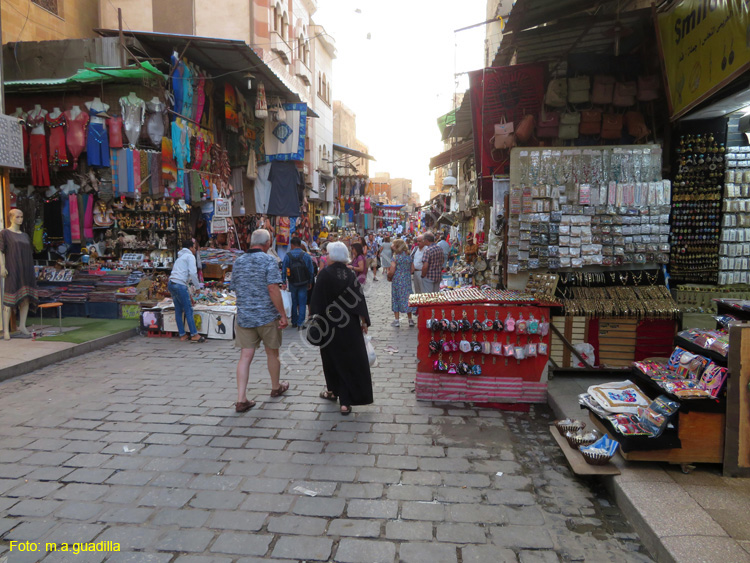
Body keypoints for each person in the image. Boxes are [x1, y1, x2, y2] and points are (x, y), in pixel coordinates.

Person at [310, 241, 373, 415]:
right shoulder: (349, 274)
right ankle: (343, 399)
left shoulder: (325, 274)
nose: (327, 257)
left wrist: (313, 318)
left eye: (328, 254)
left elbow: (316, 301)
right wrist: (363, 321)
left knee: (331, 360)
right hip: (349, 325)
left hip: (328, 325)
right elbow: (358, 299)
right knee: (348, 360)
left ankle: (336, 394)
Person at [231, 229, 290, 413]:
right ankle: (275, 387)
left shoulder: (238, 262)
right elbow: (273, 288)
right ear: (268, 243)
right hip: (267, 316)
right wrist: (282, 314)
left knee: (245, 357)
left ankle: (241, 399)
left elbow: (235, 287)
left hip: (245, 316)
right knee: (272, 353)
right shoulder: (269, 260)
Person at [0, 209, 39, 340]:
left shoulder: (25, 235)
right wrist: (2, 266)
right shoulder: (5, 233)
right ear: (11, 218)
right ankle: (6, 329)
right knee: (9, 298)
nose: (20, 219)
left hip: (26, 268)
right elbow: (1, 251)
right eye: (17, 217)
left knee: (26, 297)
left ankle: (22, 325)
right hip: (13, 268)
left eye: (22, 217)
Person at [168, 239, 204, 343]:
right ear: (191, 248)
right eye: (194, 247)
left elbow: (183, 278)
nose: (195, 250)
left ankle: (182, 335)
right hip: (179, 284)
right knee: (188, 309)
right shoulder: (190, 256)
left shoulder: (180, 258)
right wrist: (197, 287)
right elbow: (193, 273)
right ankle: (194, 334)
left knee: (178, 310)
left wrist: (189, 295)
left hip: (171, 283)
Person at [281, 236, 315, 329]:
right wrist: (310, 281)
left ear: (292, 245)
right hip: (304, 282)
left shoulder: (288, 255)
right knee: (302, 302)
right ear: (300, 245)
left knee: (294, 302)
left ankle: (294, 321)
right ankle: (301, 323)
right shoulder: (306, 255)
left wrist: (283, 281)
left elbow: (284, 269)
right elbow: (311, 270)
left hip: (292, 282)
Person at [388, 238, 416, 328]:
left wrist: (389, 276)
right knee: (408, 298)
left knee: (396, 298)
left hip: (397, 279)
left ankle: (396, 320)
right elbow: (412, 269)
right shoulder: (409, 256)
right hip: (407, 280)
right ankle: (410, 320)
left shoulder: (395, 257)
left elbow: (392, 270)